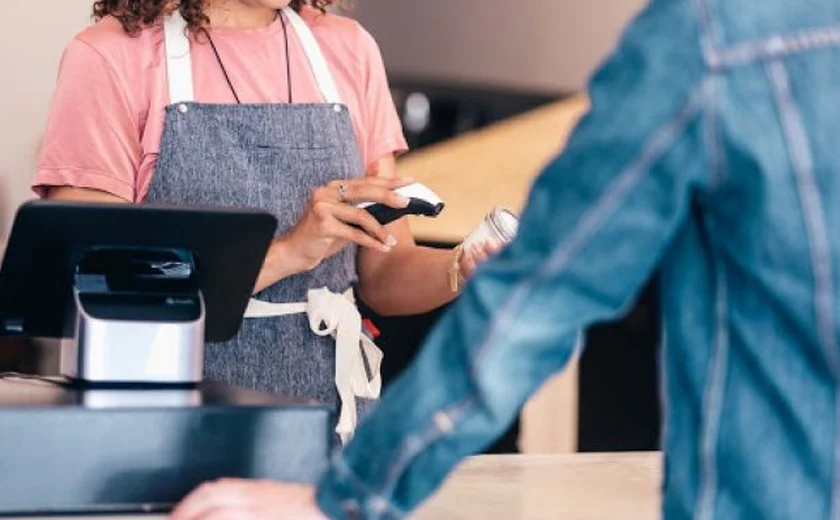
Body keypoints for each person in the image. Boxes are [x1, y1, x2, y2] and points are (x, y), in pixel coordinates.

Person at [168, 0, 840, 518]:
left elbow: (538, 298)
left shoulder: (712, 41)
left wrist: (345, 495)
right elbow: (89, 274)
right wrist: (289, 251)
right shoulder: (119, 58)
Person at [32, 0, 498, 443]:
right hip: (165, 426)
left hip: (327, 421)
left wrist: (465, 266)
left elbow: (383, 274)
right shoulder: (110, 57)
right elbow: (102, 290)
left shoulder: (346, 48)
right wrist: (290, 252)